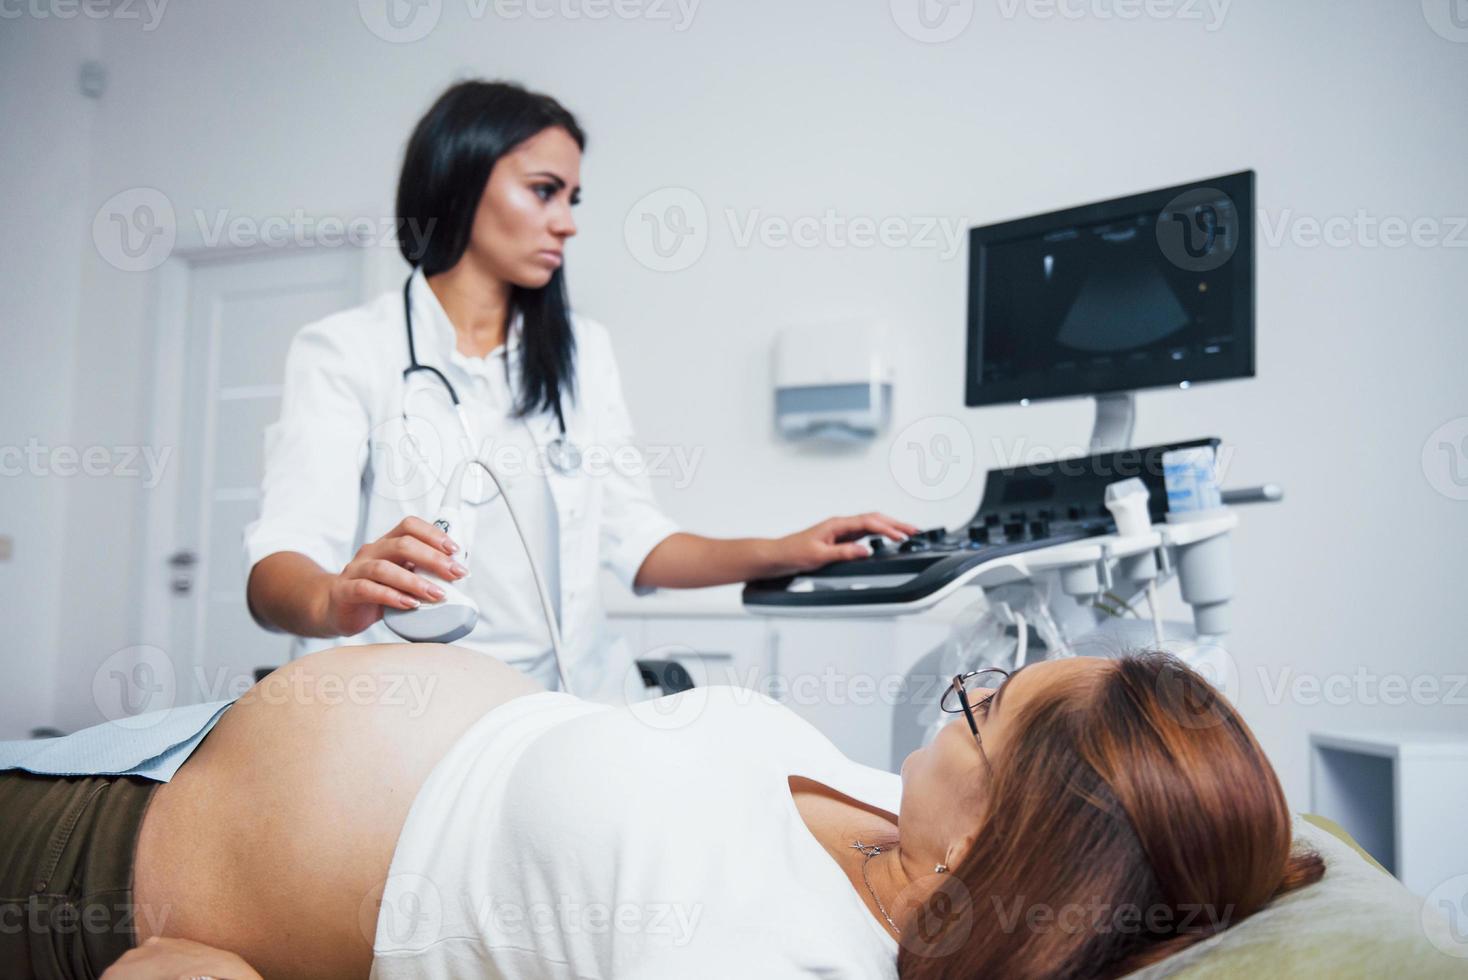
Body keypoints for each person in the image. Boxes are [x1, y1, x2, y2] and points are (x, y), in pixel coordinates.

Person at [0, 647, 1322, 978]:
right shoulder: (888, 821)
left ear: (997, 837)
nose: (958, 695)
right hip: (167, 748)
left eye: (984, 706)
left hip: (129, 864)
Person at [244, 79, 918, 693]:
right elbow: (276, 570)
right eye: (544, 190)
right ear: (461, 179)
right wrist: (334, 598)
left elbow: (639, 543)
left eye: (572, 197)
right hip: (408, 710)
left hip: (570, 699)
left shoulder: (580, 354)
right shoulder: (346, 351)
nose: (567, 221)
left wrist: (783, 551)